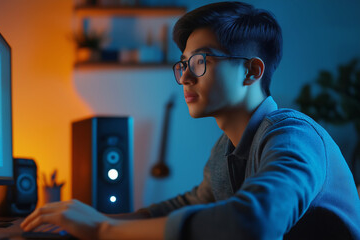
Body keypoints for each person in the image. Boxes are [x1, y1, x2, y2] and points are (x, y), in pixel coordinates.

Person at [21, 2, 360, 239]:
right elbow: (188, 206)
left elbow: (253, 223)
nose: (184, 78)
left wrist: (103, 230)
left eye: (200, 62)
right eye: (183, 65)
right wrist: (85, 218)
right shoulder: (226, 148)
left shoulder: (292, 135)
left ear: (251, 71)